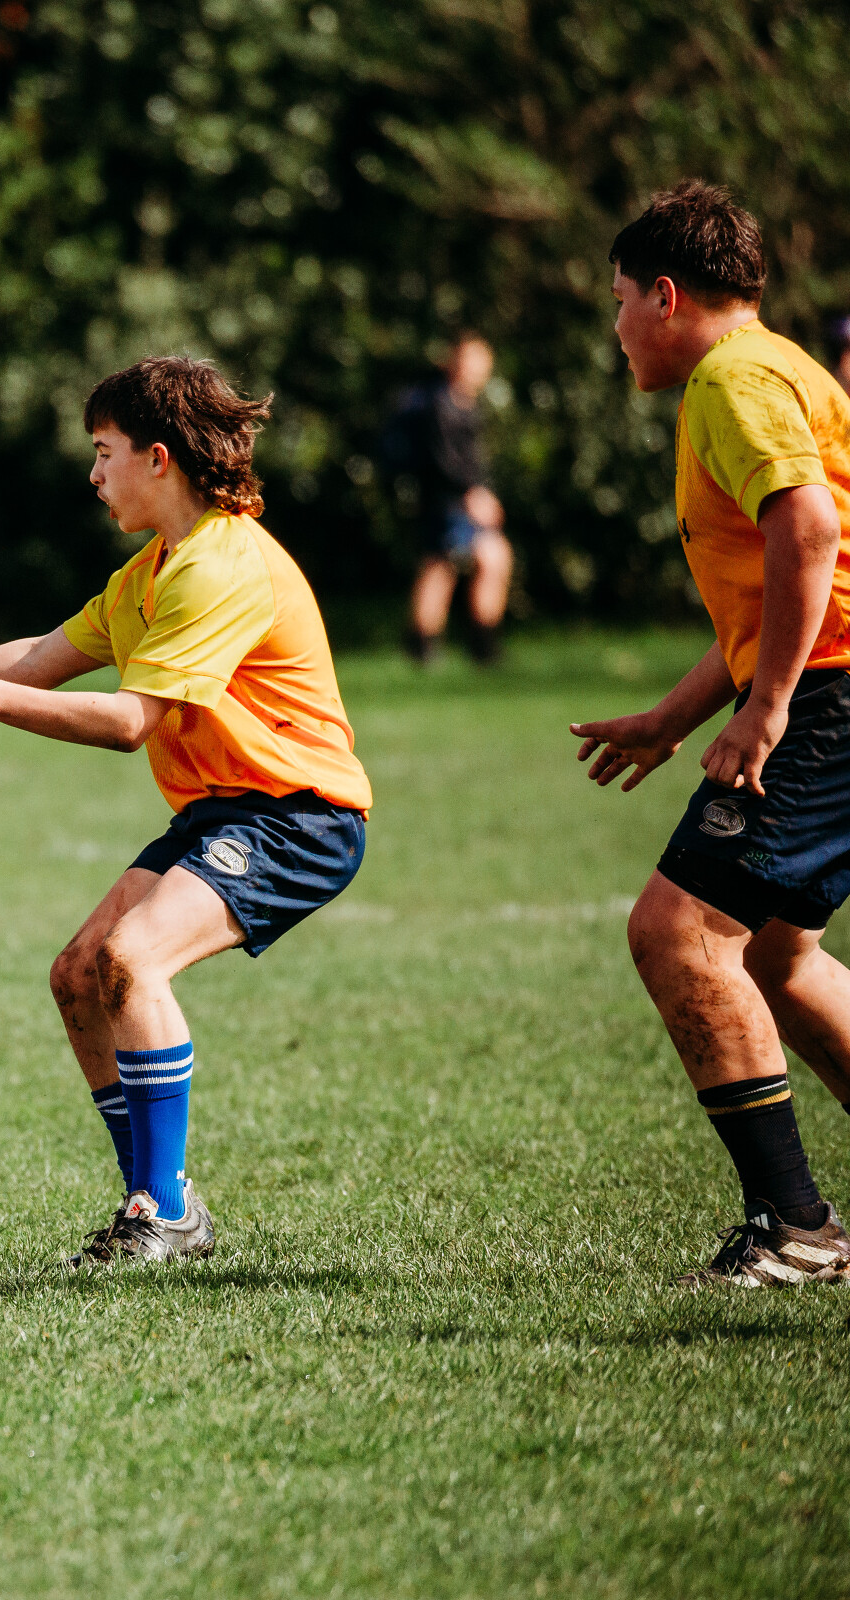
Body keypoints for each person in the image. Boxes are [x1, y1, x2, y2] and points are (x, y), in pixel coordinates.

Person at [0, 356, 369, 1267]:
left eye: (105, 451)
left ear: (159, 458)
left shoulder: (222, 566)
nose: (94, 472)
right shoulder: (153, 571)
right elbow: (42, 656)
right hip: (224, 812)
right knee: (80, 975)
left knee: (131, 960)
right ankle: (156, 1204)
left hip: (297, 816)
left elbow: (125, 723)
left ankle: (163, 1212)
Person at [570, 181, 850, 1287]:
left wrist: (768, 706)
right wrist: (675, 715)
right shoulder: (777, 366)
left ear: (666, 294)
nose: (617, 325)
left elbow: (810, 531)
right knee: (777, 957)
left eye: (619, 299)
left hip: (830, 696)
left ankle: (796, 1228)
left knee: (678, 934)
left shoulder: (732, 380)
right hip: (827, 684)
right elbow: (781, 581)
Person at [392, 332, 511, 666]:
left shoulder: (466, 404)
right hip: (445, 502)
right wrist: (471, 493)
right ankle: (427, 643)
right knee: (443, 566)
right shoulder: (438, 403)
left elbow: (474, 462)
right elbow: (442, 460)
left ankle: (478, 643)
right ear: (454, 361)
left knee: (486, 559)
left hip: (463, 499)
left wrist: (484, 492)